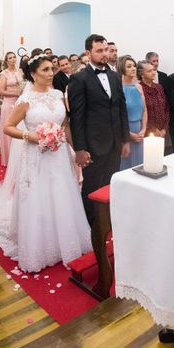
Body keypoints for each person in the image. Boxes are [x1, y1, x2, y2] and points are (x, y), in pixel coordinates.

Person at [0, 54, 92, 272]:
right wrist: (32, 136)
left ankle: (66, 242)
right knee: (40, 196)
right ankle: (40, 244)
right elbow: (8, 127)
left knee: (62, 194)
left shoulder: (58, 95)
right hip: (36, 155)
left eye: (52, 69)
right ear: (33, 73)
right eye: (45, 70)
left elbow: (66, 125)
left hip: (58, 154)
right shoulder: (25, 100)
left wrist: (76, 150)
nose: (50, 74)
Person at [68, 34, 130, 223]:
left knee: (110, 183)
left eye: (106, 50)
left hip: (114, 142)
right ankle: (90, 224)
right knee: (92, 187)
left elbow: (121, 108)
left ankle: (108, 219)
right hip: (93, 144)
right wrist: (79, 149)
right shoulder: (79, 79)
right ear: (88, 52)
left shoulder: (114, 76)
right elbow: (76, 117)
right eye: (99, 50)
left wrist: (125, 139)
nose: (104, 54)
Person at [0, 52, 24, 166]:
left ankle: (20, 158)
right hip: (8, 105)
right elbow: (2, 91)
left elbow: (23, 86)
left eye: (14, 57)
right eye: (10, 58)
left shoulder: (20, 71)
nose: (13, 59)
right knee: (10, 131)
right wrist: (16, 93)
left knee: (20, 129)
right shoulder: (4, 73)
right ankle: (10, 159)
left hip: (20, 104)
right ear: (6, 61)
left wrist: (22, 93)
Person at [118, 55, 146, 170]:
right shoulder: (118, 88)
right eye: (129, 66)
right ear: (122, 69)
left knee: (140, 166)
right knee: (126, 166)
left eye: (134, 66)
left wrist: (143, 129)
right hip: (125, 132)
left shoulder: (139, 87)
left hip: (139, 131)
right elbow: (117, 115)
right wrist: (129, 134)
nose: (133, 68)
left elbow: (144, 111)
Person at [137, 60, 169, 138]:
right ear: (142, 75)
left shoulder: (159, 87)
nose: (153, 72)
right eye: (149, 71)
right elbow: (140, 113)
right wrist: (153, 129)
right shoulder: (138, 88)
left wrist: (164, 129)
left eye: (154, 70)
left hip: (162, 131)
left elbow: (166, 108)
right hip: (147, 133)